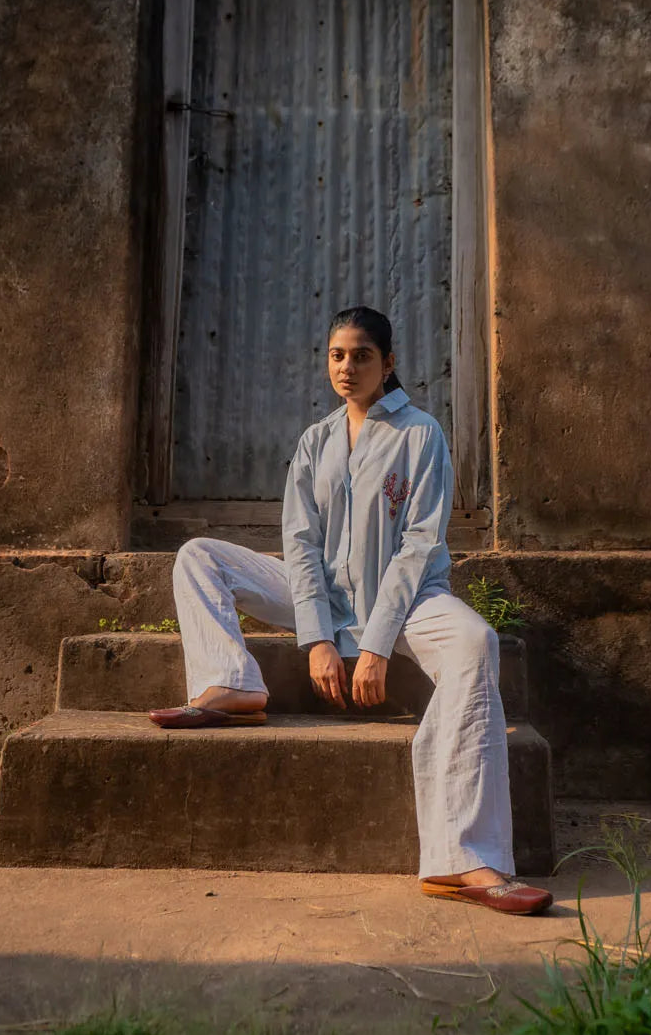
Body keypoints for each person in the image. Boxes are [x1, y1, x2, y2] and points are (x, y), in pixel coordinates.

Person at [150, 306, 552, 917]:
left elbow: (419, 546)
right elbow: (300, 545)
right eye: (337, 356)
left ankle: (462, 857)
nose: (347, 367)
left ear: (388, 364)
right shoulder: (316, 441)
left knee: (476, 642)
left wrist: (376, 645)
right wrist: (316, 638)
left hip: (409, 601)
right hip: (325, 598)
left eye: (362, 356)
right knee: (200, 556)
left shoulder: (420, 435)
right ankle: (231, 683)